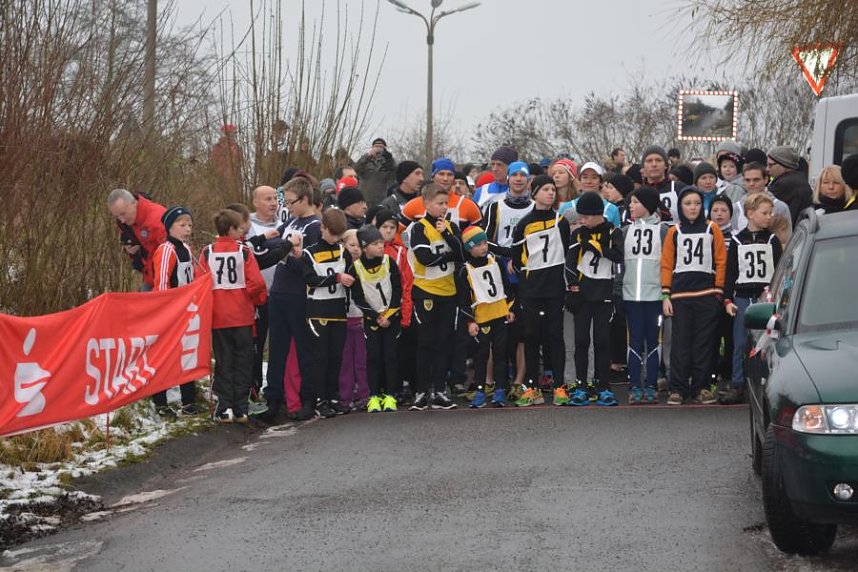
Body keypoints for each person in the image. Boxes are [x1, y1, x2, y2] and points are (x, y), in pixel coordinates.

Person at [256, 177, 320, 424]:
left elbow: (309, 265)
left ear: (305, 199)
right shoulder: (291, 221)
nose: (288, 207)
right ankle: (274, 399)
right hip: (278, 292)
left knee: (304, 349)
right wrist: (278, 247)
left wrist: (287, 256)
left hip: (299, 295)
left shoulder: (314, 226)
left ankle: (308, 399)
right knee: (277, 349)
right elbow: (273, 243)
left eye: (291, 202)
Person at [198, 209, 268, 423]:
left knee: (223, 360)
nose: (242, 232)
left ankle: (225, 406)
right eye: (239, 228)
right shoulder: (243, 251)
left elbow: (199, 283)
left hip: (218, 316)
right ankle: (241, 408)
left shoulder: (207, 252)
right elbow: (257, 282)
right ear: (231, 229)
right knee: (243, 360)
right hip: (242, 315)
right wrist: (258, 300)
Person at [661, 186, 727, 405]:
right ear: (680, 206)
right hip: (680, 295)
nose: (692, 208)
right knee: (680, 343)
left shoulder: (712, 229)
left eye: (697, 203)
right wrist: (666, 295)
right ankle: (678, 388)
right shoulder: (674, 231)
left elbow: (721, 260)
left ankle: (702, 387)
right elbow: (667, 264)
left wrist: (718, 290)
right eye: (688, 204)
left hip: (706, 294)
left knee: (703, 343)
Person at [511, 175, 570, 406]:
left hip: (555, 288)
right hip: (531, 289)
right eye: (545, 189)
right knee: (532, 336)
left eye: (553, 189)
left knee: (555, 336)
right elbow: (517, 257)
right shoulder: (524, 223)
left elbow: (567, 253)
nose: (550, 193)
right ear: (534, 193)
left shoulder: (561, 221)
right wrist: (526, 279)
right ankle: (531, 387)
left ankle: (559, 386)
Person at [407, 183, 464, 410]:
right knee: (426, 343)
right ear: (427, 204)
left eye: (446, 204)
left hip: (448, 292)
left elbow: (461, 253)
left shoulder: (450, 227)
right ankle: (421, 391)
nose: (443, 208)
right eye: (439, 203)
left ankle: (440, 390)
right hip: (426, 292)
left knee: (443, 343)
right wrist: (450, 256)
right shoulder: (418, 228)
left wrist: (447, 235)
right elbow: (425, 258)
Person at [565, 191, 623, 406]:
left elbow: (618, 256)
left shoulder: (613, 231)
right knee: (581, 340)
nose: (582, 221)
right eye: (580, 217)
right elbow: (570, 262)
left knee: (602, 341)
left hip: (604, 292)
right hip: (583, 293)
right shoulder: (578, 234)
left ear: (598, 214)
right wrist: (573, 286)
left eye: (586, 217)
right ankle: (581, 385)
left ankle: (603, 386)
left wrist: (597, 247)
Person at [722, 193, 782, 404]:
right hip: (742, 297)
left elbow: (779, 270)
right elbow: (731, 272)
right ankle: (738, 384)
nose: (769, 217)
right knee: (740, 342)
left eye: (770, 213)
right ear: (750, 214)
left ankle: (765, 384)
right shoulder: (738, 240)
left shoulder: (772, 240)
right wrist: (727, 299)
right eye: (765, 213)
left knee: (766, 342)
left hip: (765, 298)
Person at [300, 208, 352, 419]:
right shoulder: (309, 252)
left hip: (338, 310)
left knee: (336, 357)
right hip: (318, 311)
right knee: (320, 357)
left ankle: (333, 397)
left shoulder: (342, 251)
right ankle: (319, 399)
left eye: (339, 235)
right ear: (322, 227)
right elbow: (310, 279)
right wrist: (336, 278)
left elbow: (350, 275)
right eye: (332, 233)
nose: (335, 238)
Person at [150, 206, 202, 418]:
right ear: (170, 227)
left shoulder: (186, 249)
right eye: (182, 225)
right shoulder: (166, 250)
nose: (187, 229)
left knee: (187, 355)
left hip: (187, 311)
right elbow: (161, 284)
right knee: (165, 357)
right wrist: (166, 312)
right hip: (170, 312)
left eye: (189, 225)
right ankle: (160, 403)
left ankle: (188, 401)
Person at [457, 226, 515, 408]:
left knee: (500, 353)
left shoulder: (495, 261)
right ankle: (480, 391)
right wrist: (470, 322)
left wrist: (510, 308)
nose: (483, 247)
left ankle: (500, 390)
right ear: (469, 248)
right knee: (481, 356)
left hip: (500, 313)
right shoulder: (465, 270)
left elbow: (506, 286)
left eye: (484, 243)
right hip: (482, 318)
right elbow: (464, 300)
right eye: (478, 245)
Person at [619, 188, 667, 404]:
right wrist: (618, 291)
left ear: (647, 204)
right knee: (634, 342)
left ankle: (651, 384)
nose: (630, 205)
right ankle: (634, 386)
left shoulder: (663, 230)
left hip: (655, 296)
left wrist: (666, 293)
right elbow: (619, 265)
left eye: (635, 202)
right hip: (631, 296)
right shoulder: (625, 230)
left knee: (654, 342)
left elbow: (668, 263)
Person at [348, 224, 403, 413]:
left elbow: (397, 290)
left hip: (391, 318)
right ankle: (374, 395)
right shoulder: (356, 268)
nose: (381, 246)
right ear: (365, 247)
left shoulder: (389, 262)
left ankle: (390, 395)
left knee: (391, 356)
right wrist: (375, 316)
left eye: (381, 242)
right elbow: (358, 298)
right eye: (375, 243)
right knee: (373, 357)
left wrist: (388, 315)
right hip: (372, 320)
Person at [376, 209, 416, 404]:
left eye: (392, 227)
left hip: (395, 309)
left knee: (395, 353)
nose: (388, 230)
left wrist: (406, 314)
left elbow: (407, 284)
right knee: (376, 354)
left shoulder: (400, 251)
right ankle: (377, 389)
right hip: (374, 310)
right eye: (384, 227)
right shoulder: (370, 250)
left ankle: (396, 389)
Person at [107, 188, 167, 291]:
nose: (122, 220)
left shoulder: (158, 220)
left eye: (123, 214)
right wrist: (133, 252)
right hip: (150, 276)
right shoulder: (126, 223)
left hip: (166, 279)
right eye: (117, 216)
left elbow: (175, 255)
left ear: (134, 203)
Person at [339, 229, 369, 410]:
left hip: (362, 318)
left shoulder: (367, 266)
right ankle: (345, 397)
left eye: (359, 245)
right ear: (343, 245)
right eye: (352, 245)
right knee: (345, 361)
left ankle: (364, 394)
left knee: (362, 360)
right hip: (344, 318)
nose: (356, 249)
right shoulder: (339, 267)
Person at [708, 195, 735, 389]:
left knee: (730, 336)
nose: (719, 214)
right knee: (711, 337)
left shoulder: (736, 237)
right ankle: (710, 375)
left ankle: (728, 373)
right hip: (709, 292)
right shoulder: (705, 235)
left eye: (724, 210)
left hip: (730, 293)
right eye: (715, 210)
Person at [558, 162, 621, 227]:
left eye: (594, 178)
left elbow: (616, 231)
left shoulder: (612, 209)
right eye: (585, 177)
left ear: (600, 182)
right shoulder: (566, 207)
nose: (589, 181)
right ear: (580, 180)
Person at [767, 146, 813, 224]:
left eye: (770, 165)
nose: (767, 169)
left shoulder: (783, 184)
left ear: (784, 164)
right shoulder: (799, 179)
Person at [640, 146, 682, 224]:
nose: (654, 164)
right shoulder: (637, 194)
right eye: (649, 161)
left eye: (658, 160)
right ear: (643, 167)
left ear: (666, 165)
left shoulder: (679, 189)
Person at [354, 137, 396, 207]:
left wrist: (390, 160)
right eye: (376, 146)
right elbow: (355, 169)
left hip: (381, 199)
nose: (378, 149)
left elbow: (395, 175)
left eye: (381, 147)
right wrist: (367, 156)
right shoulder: (365, 160)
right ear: (372, 148)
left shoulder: (388, 162)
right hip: (364, 199)